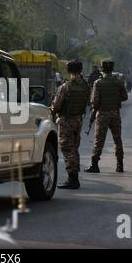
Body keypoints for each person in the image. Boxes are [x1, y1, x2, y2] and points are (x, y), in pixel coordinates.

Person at [50, 60, 90, 189]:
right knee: (74, 149)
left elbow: (56, 106)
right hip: (78, 120)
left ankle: (72, 179)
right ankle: (74, 177)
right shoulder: (85, 85)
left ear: (68, 71)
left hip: (66, 121)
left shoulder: (65, 87)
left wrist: (51, 110)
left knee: (68, 149)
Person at [85, 60, 128, 173]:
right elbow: (125, 97)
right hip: (115, 113)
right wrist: (115, 99)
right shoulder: (118, 82)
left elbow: (94, 101)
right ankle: (120, 165)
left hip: (102, 114)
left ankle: (94, 165)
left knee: (99, 140)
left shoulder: (98, 83)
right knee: (117, 139)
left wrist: (94, 112)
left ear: (102, 69)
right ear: (112, 69)